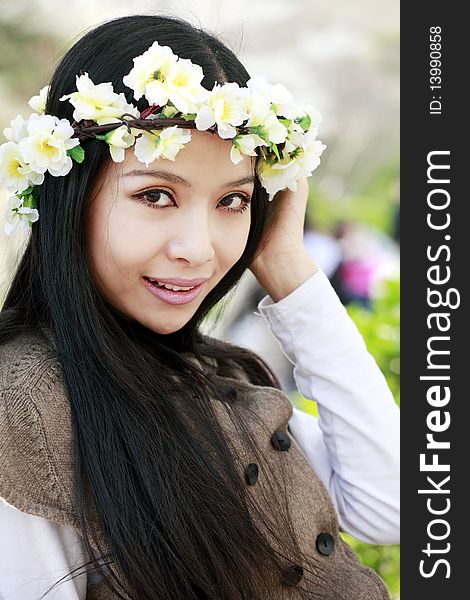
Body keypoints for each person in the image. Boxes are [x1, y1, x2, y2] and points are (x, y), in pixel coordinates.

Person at [0, 14, 399, 600]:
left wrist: (286, 264)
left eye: (233, 200)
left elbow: (393, 505)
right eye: (155, 195)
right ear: (70, 197)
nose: (200, 249)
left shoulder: (218, 377)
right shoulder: (24, 406)